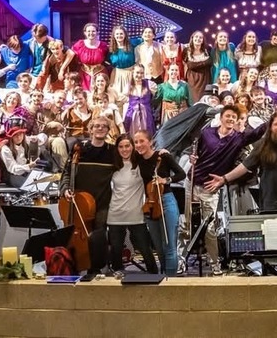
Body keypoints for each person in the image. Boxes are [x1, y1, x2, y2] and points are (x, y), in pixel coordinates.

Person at [187, 105, 269, 275]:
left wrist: (272, 119)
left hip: (212, 186)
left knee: (210, 229)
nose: (231, 119)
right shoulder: (207, 133)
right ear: (221, 117)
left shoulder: (238, 138)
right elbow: (195, 151)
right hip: (192, 182)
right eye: (228, 116)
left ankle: (214, 264)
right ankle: (181, 261)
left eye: (234, 117)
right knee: (186, 226)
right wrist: (192, 157)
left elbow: (257, 133)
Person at [59, 116, 119, 273]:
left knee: (98, 238)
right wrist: (65, 189)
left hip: (102, 202)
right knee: (75, 234)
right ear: (90, 129)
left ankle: (96, 270)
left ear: (107, 130)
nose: (100, 128)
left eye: (104, 126)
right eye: (96, 126)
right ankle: (74, 265)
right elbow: (66, 172)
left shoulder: (112, 152)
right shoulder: (79, 148)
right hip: (79, 203)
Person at [133, 130, 186, 276]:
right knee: (158, 247)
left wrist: (166, 180)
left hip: (166, 200)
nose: (138, 145)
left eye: (142, 141)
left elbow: (182, 174)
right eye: (136, 142)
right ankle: (164, 277)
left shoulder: (163, 156)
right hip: (150, 203)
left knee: (169, 245)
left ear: (150, 142)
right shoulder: (136, 158)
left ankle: (171, 281)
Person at [106, 134, 160, 276]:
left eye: (127, 146)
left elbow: (154, 157)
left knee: (145, 250)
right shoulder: (113, 166)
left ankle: (155, 279)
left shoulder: (140, 164)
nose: (124, 149)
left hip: (136, 214)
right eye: (121, 146)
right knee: (116, 251)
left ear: (132, 147)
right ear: (117, 148)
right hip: (115, 214)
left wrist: (163, 153)